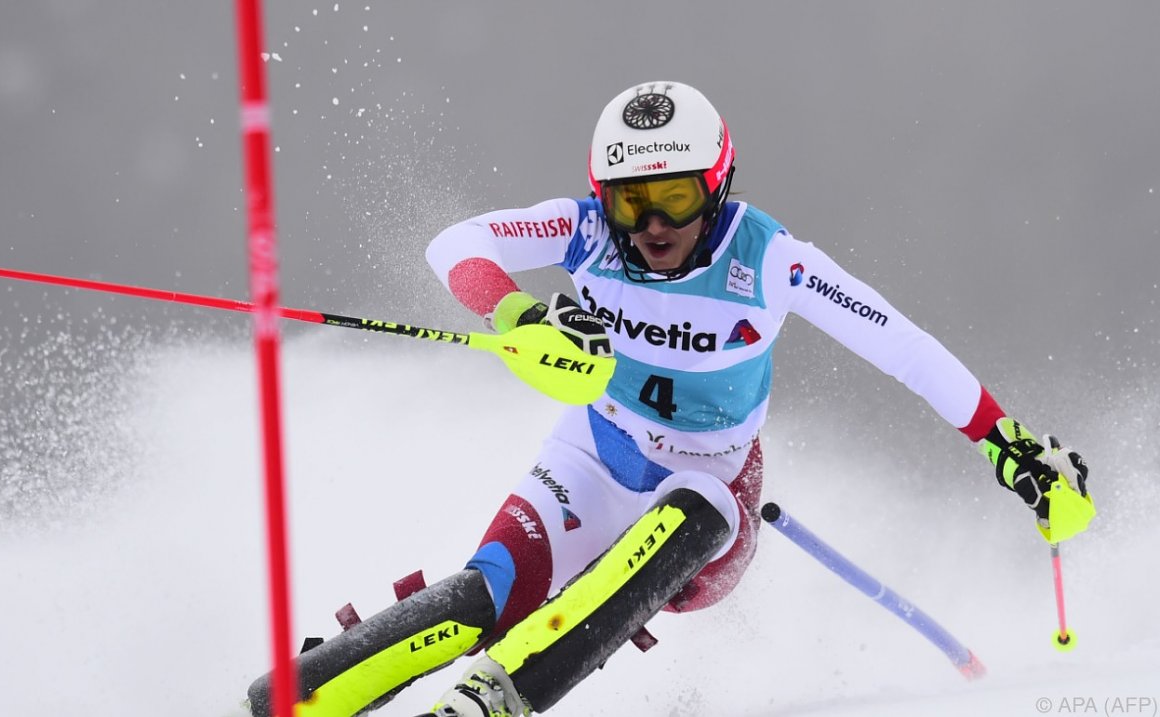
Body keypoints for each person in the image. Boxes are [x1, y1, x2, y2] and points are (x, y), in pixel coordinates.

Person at [246, 80, 1093, 717]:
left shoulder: (768, 259)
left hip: (712, 488)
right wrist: (517, 314)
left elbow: (900, 345)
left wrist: (1007, 442)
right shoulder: (584, 231)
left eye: (676, 198)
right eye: (631, 201)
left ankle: (494, 697)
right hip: (592, 455)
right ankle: (299, 695)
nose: (652, 226)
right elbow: (456, 244)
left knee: (689, 513)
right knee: (486, 594)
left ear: (717, 185)